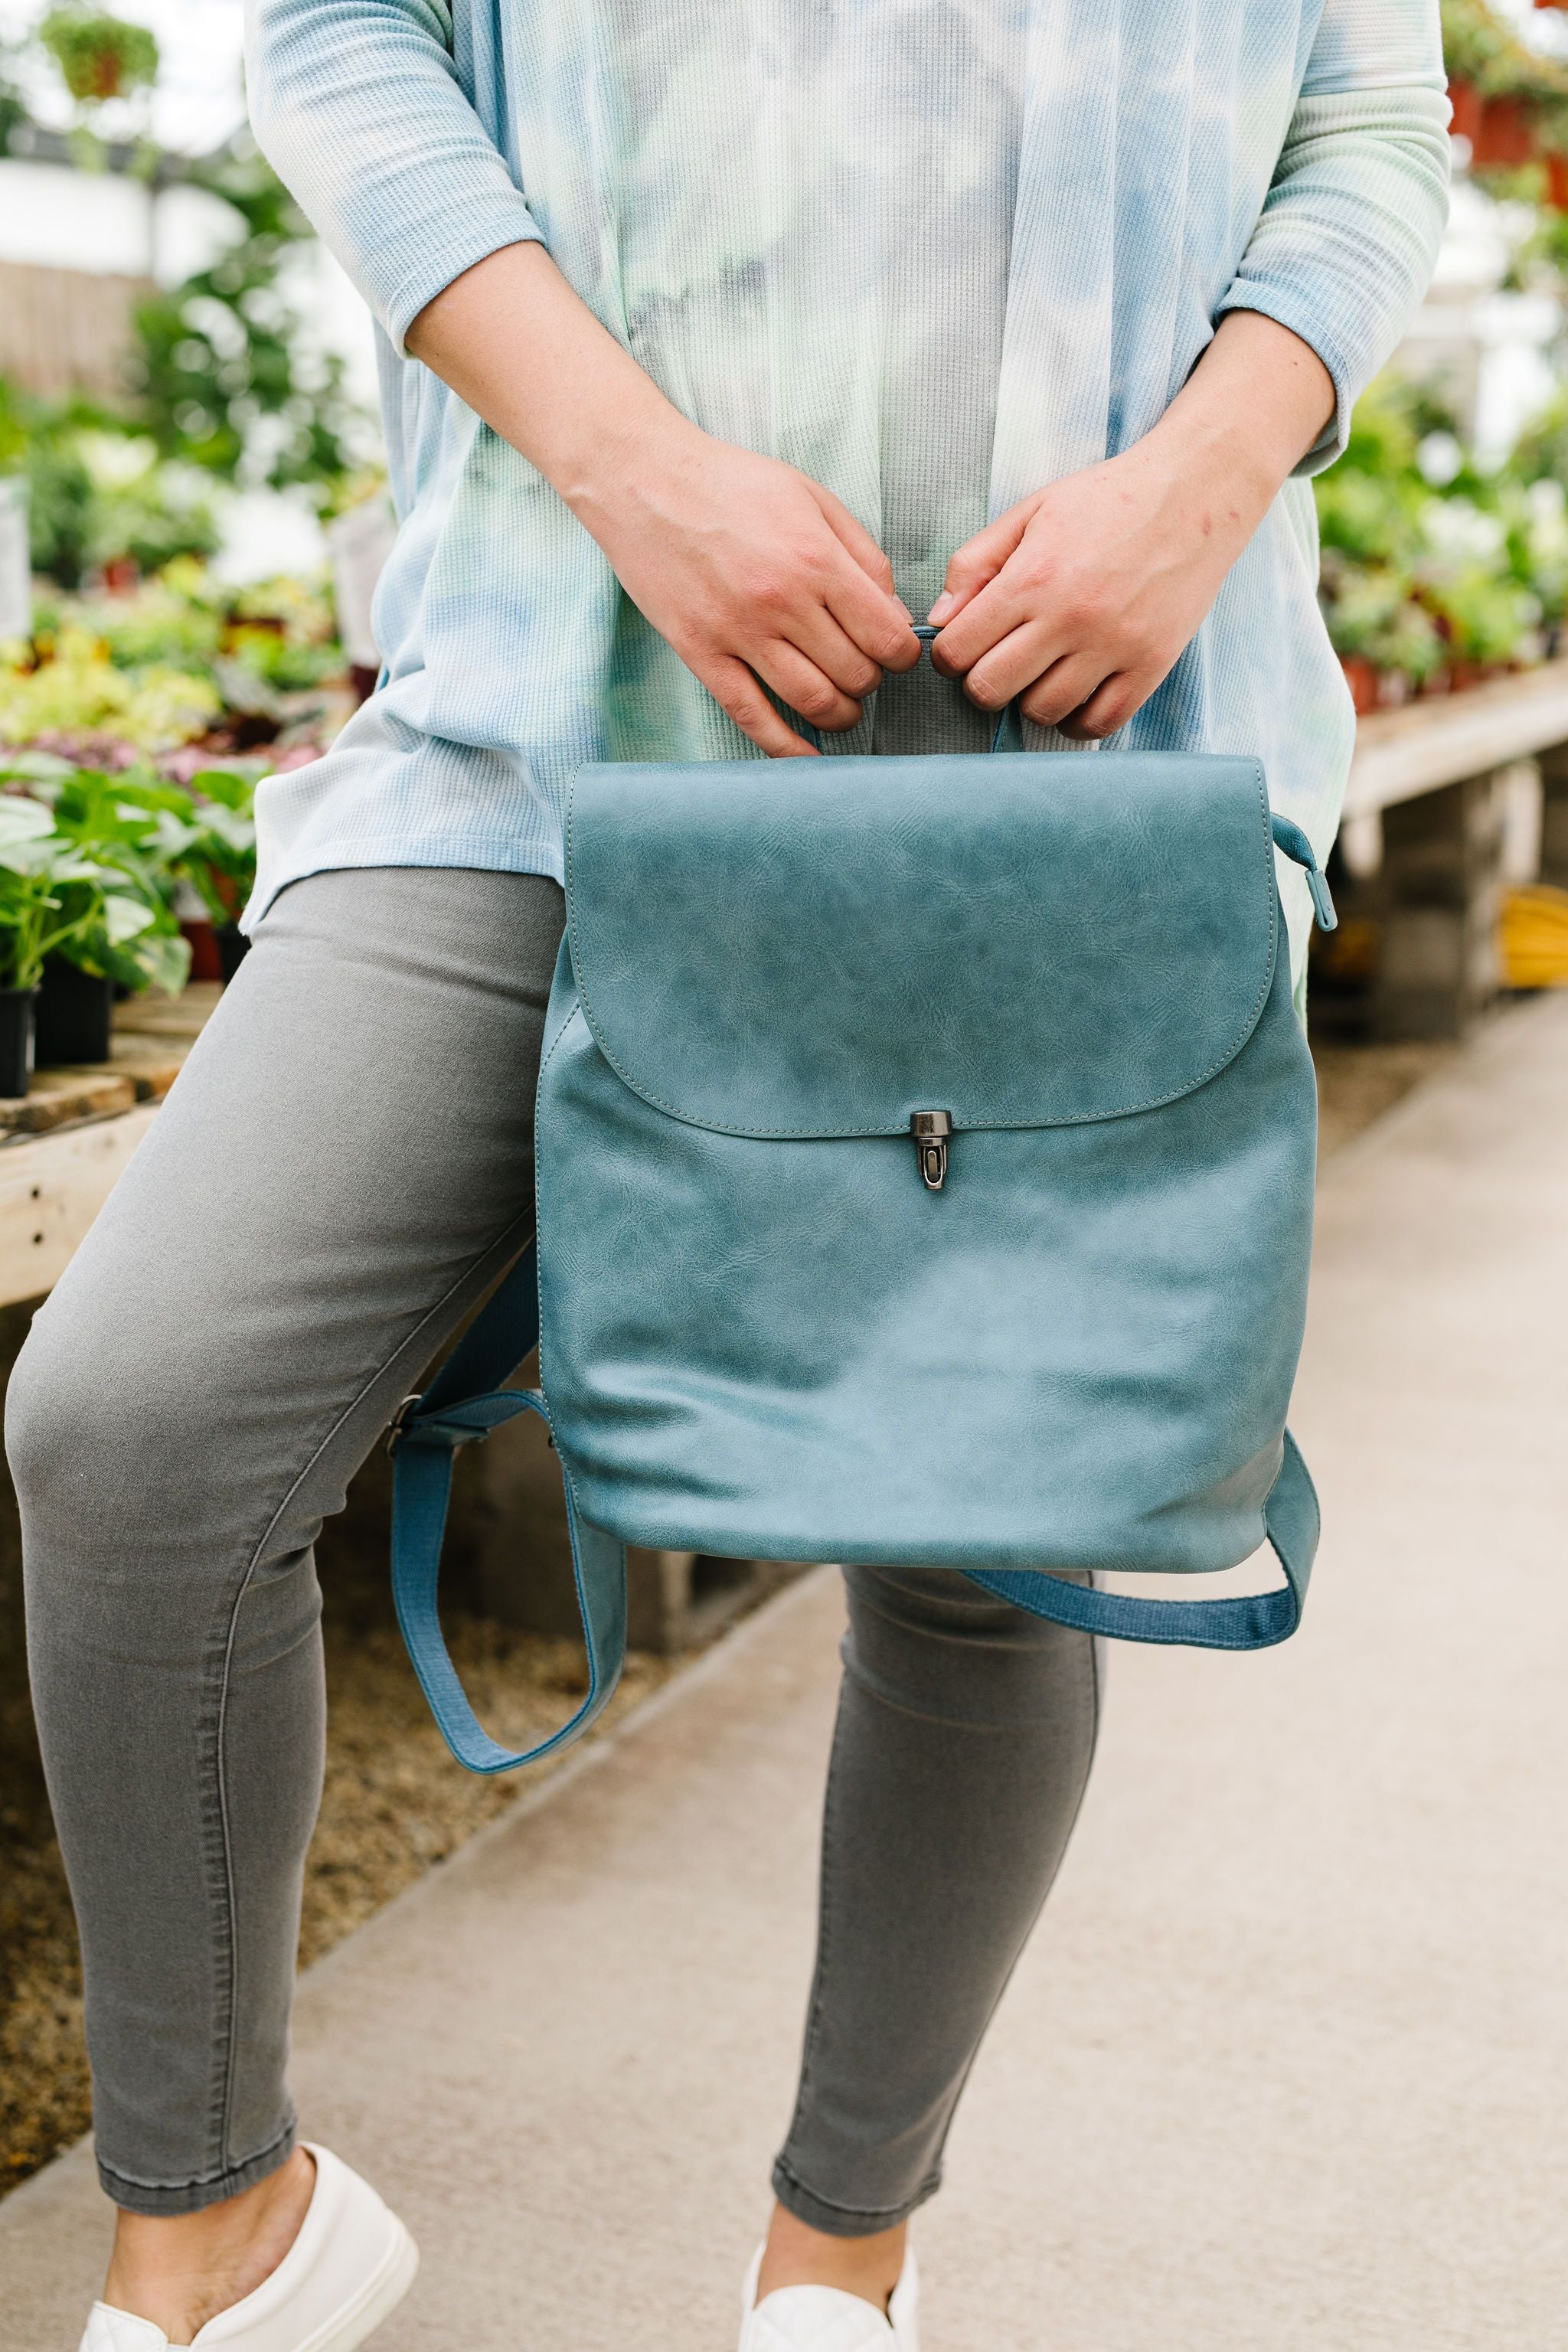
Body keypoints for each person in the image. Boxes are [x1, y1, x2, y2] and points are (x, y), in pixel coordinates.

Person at [8, 2, 1449, 2345]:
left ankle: (835, 2274)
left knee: (979, 1532)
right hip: (533, 731)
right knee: (141, 1427)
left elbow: (1370, 112)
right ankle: (224, 2224)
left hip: (1074, 752)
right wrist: (633, 467)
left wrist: (1198, 486)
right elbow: (342, 38)